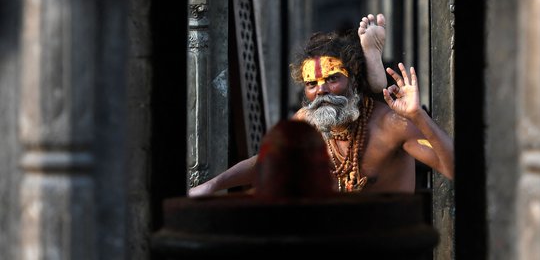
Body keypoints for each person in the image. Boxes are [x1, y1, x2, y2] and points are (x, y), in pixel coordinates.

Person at [188, 13, 454, 196]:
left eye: (332, 79)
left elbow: (452, 169)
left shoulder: (392, 124)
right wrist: (213, 185)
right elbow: (268, 162)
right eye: (311, 84)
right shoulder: (306, 120)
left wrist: (418, 116)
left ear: (353, 80)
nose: (322, 90)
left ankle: (374, 71)